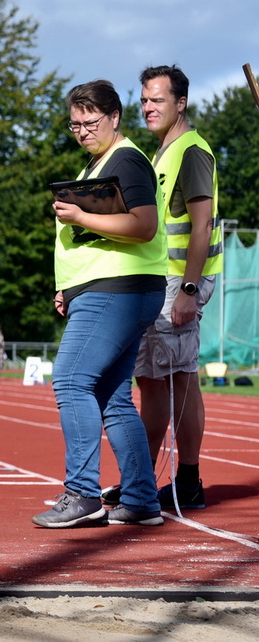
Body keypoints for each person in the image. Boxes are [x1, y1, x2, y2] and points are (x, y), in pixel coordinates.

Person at [31, 80, 166, 528]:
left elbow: (144, 226)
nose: (83, 131)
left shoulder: (126, 160)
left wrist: (82, 215)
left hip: (120, 291)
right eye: (75, 124)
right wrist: (69, 287)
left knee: (70, 381)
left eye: (91, 122)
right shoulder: (100, 163)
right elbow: (97, 242)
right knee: (112, 398)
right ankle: (143, 500)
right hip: (113, 290)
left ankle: (83, 494)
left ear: (114, 118)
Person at [100, 67, 223, 512]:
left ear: (180, 103)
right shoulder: (162, 154)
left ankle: (176, 481)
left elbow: (202, 223)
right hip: (161, 280)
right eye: (144, 101)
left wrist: (189, 288)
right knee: (157, 382)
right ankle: (150, 481)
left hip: (178, 281)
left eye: (158, 100)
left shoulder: (191, 151)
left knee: (176, 381)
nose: (148, 108)